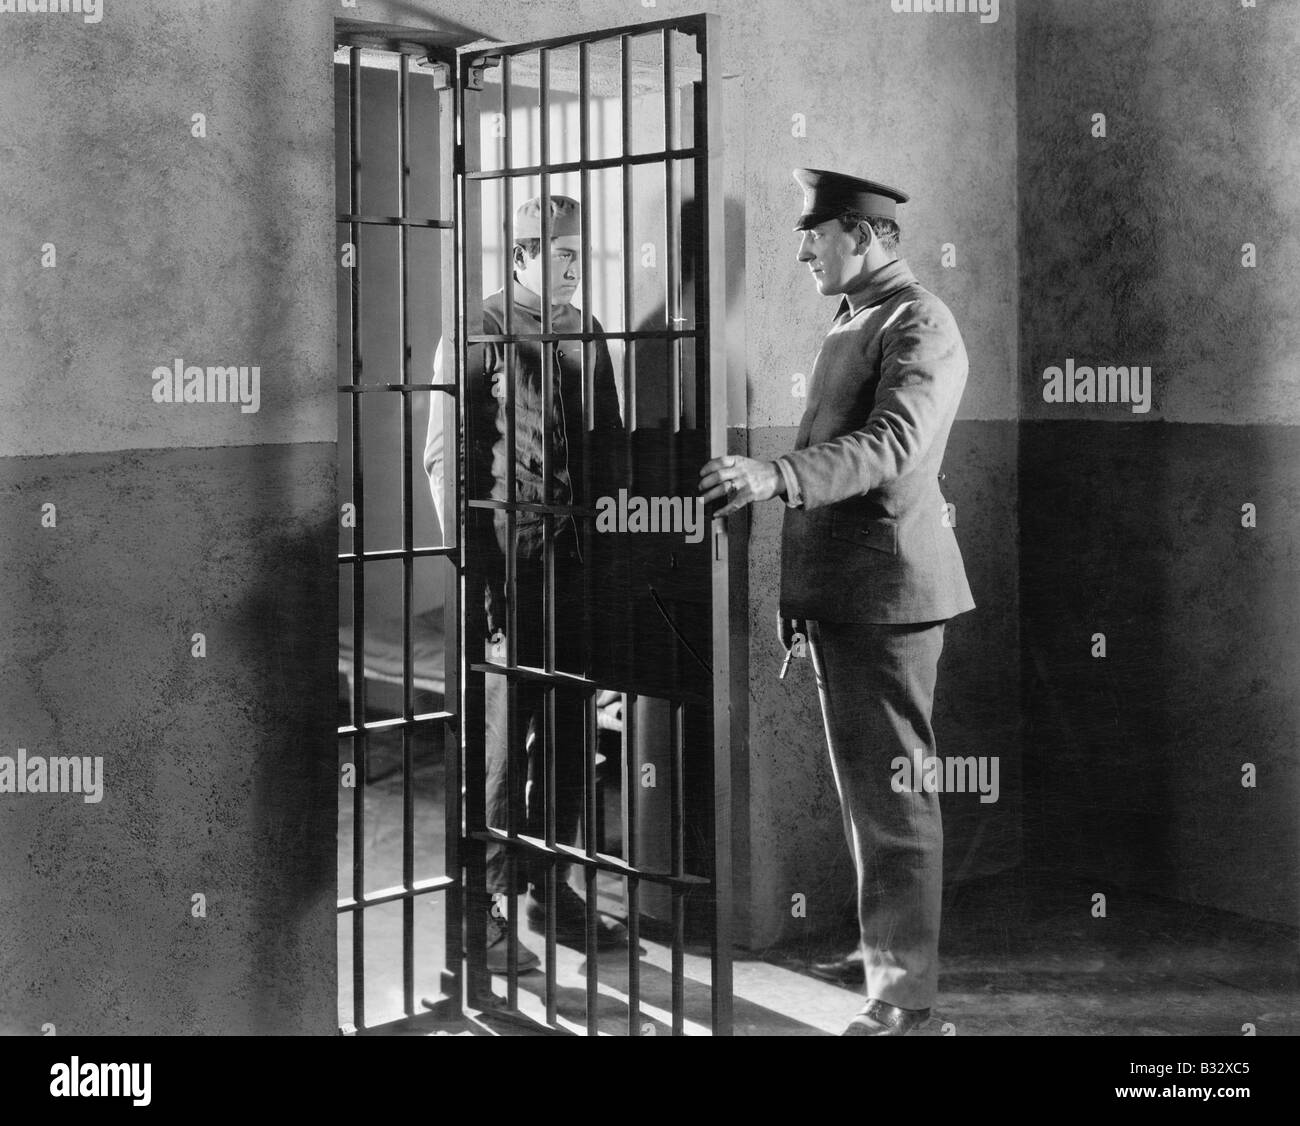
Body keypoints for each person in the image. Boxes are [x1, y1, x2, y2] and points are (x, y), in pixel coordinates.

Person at [698, 168, 975, 1035]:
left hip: (890, 599)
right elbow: (840, 467)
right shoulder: (859, 320)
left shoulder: (920, 321)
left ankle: (905, 1001)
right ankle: (888, 951)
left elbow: (888, 445)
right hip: (848, 598)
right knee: (871, 800)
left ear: (863, 233)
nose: (801, 248)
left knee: (894, 803)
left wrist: (772, 474)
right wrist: (801, 594)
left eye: (813, 233)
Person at [425, 194, 627, 972]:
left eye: (580, 253)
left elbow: (605, 451)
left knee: (574, 735)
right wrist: (476, 573)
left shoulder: (587, 332)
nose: (575, 268)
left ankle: (554, 884)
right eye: (561, 254)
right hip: (509, 568)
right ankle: (484, 909)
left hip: (575, 567)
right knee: (504, 743)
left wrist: (613, 564)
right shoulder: (479, 325)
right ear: (520, 255)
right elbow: (449, 458)